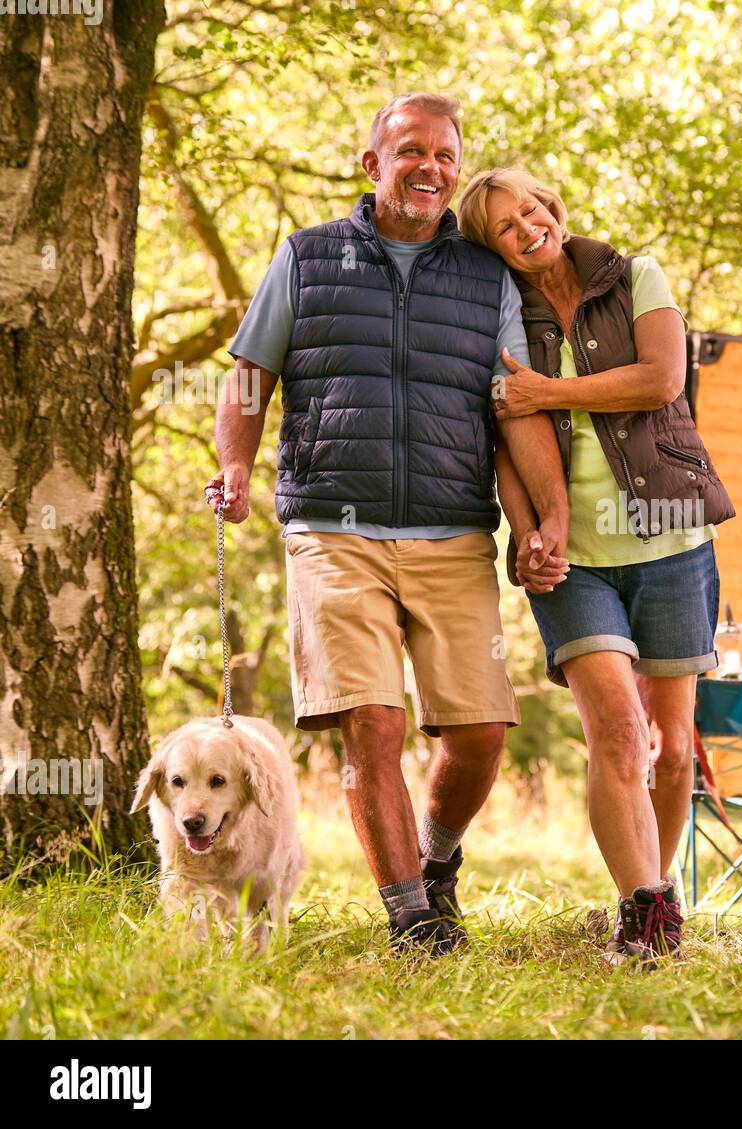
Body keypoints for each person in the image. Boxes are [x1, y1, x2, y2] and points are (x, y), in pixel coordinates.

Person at [205, 96, 568, 955]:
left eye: (446, 155)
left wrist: (543, 520)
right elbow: (251, 373)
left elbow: (515, 405)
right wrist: (236, 465)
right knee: (374, 724)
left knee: (479, 730)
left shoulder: (488, 278)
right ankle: (412, 918)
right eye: (412, 151)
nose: (431, 169)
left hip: (452, 528)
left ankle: (436, 863)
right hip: (333, 525)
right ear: (373, 163)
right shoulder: (306, 256)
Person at [458, 167, 736, 963]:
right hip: (574, 560)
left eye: (533, 209)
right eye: (506, 227)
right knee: (617, 729)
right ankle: (642, 915)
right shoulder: (506, 319)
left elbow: (661, 379)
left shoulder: (637, 275)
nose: (528, 228)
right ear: (494, 250)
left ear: (554, 208)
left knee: (673, 744)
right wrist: (528, 529)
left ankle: (661, 891)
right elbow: (506, 439)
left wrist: (549, 390)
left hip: (672, 538)